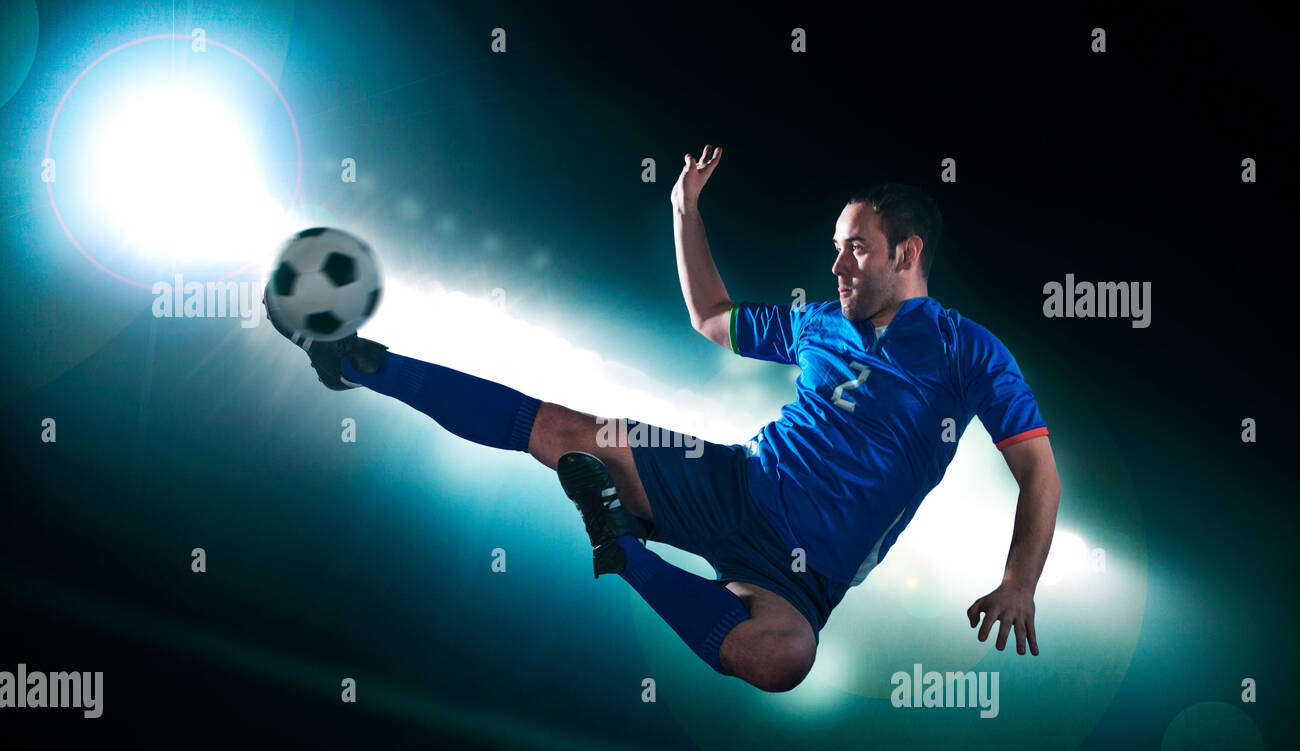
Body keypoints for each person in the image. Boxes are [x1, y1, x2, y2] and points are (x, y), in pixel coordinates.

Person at [265, 145, 1061, 693]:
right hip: (731, 480)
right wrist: (685, 212)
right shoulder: (817, 320)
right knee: (574, 432)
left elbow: (1038, 475)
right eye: (835, 247)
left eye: (855, 247)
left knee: (784, 658)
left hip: (800, 572)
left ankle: (621, 548)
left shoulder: (970, 353)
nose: (836, 263)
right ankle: (358, 362)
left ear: (906, 253)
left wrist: (1019, 582)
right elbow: (713, 317)